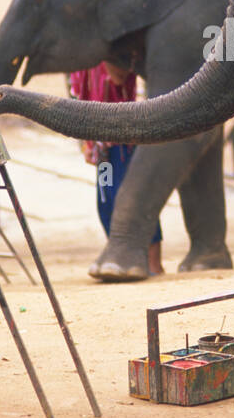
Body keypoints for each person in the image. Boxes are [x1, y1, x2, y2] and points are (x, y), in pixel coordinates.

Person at [68, 62, 163, 276]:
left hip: (123, 144)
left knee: (135, 199)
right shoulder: (83, 61)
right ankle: (121, 254)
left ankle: (154, 264)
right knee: (106, 200)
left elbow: (119, 77)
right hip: (103, 150)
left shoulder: (116, 54)